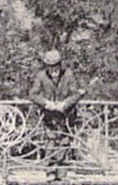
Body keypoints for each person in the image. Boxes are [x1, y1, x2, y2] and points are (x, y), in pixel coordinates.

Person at [30, 49, 84, 178]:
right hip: (49, 115)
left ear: (60, 65)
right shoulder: (41, 76)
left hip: (66, 114)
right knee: (51, 140)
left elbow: (76, 93)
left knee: (65, 141)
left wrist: (64, 104)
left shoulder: (68, 75)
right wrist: (45, 103)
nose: (54, 70)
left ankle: (62, 174)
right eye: (51, 66)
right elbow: (32, 94)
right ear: (47, 66)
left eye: (56, 66)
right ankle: (50, 171)